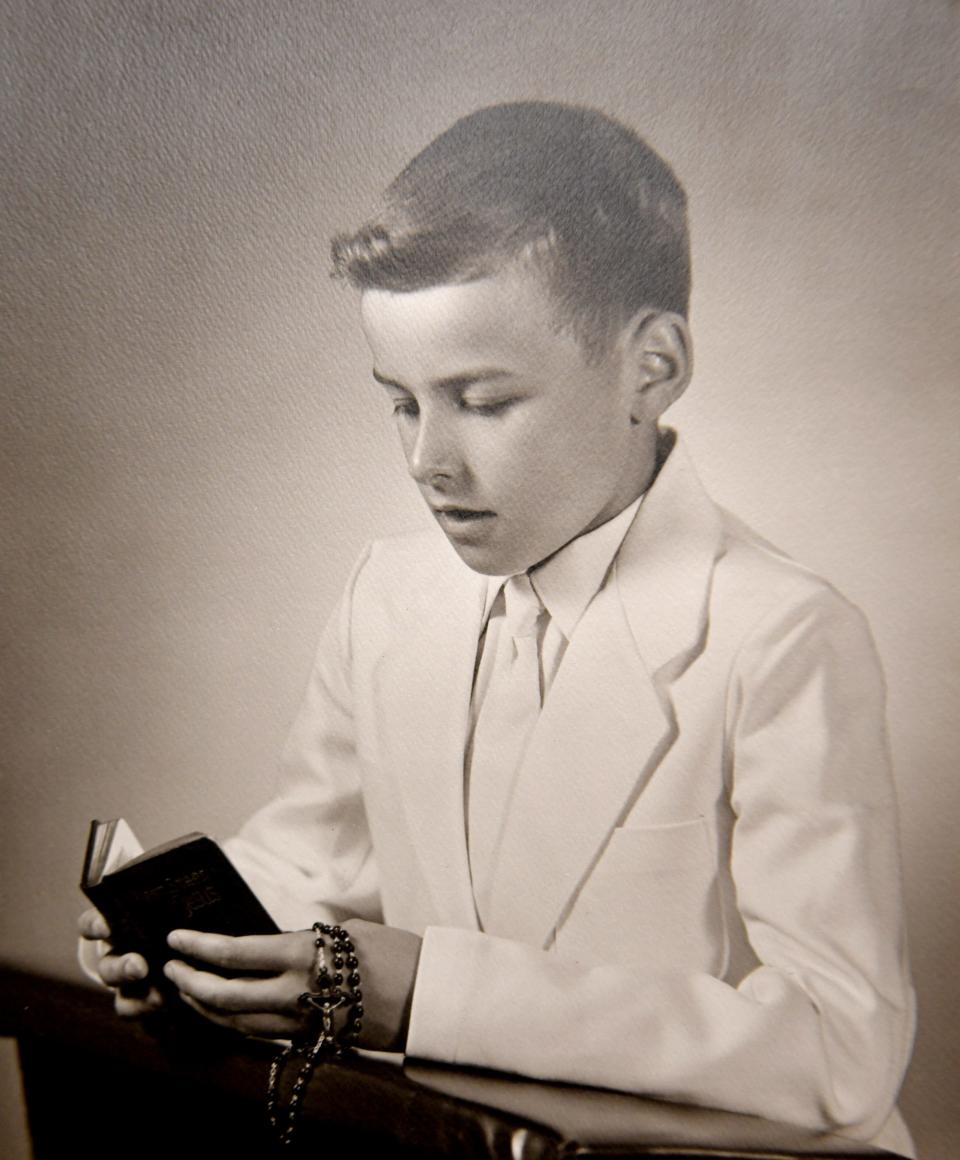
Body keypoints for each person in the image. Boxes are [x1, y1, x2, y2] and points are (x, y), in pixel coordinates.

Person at [79, 102, 916, 1154]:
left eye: (481, 398)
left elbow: (841, 1048)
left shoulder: (783, 635)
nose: (427, 459)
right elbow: (310, 860)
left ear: (652, 366)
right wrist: (191, 948)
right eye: (400, 401)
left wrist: (425, 989)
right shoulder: (387, 598)